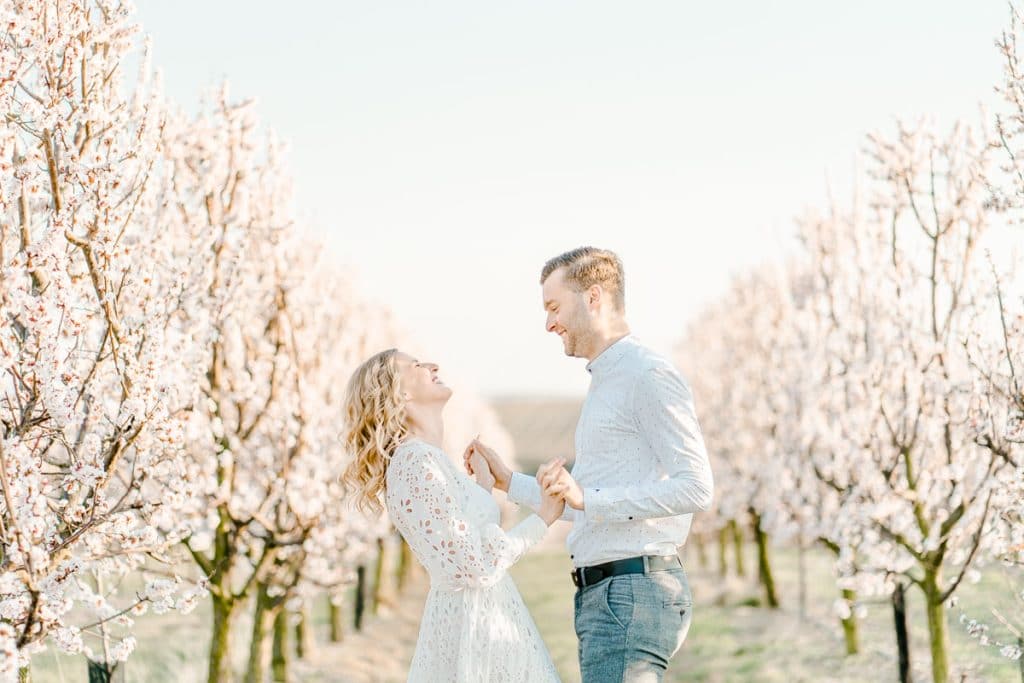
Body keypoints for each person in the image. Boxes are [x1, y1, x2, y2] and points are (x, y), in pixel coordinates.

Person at [466, 246, 714, 683]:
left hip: (630, 592)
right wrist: (508, 481)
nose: (549, 324)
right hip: (611, 595)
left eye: (554, 306)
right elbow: (580, 499)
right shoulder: (608, 379)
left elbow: (696, 487)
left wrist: (590, 498)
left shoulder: (646, 374)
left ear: (594, 297)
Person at [341, 349, 562, 682]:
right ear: (398, 391)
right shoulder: (414, 463)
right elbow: (478, 564)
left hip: (485, 620)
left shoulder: (427, 459)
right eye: (416, 365)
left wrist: (484, 487)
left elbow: (465, 540)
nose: (432, 365)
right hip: (473, 630)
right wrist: (542, 519)